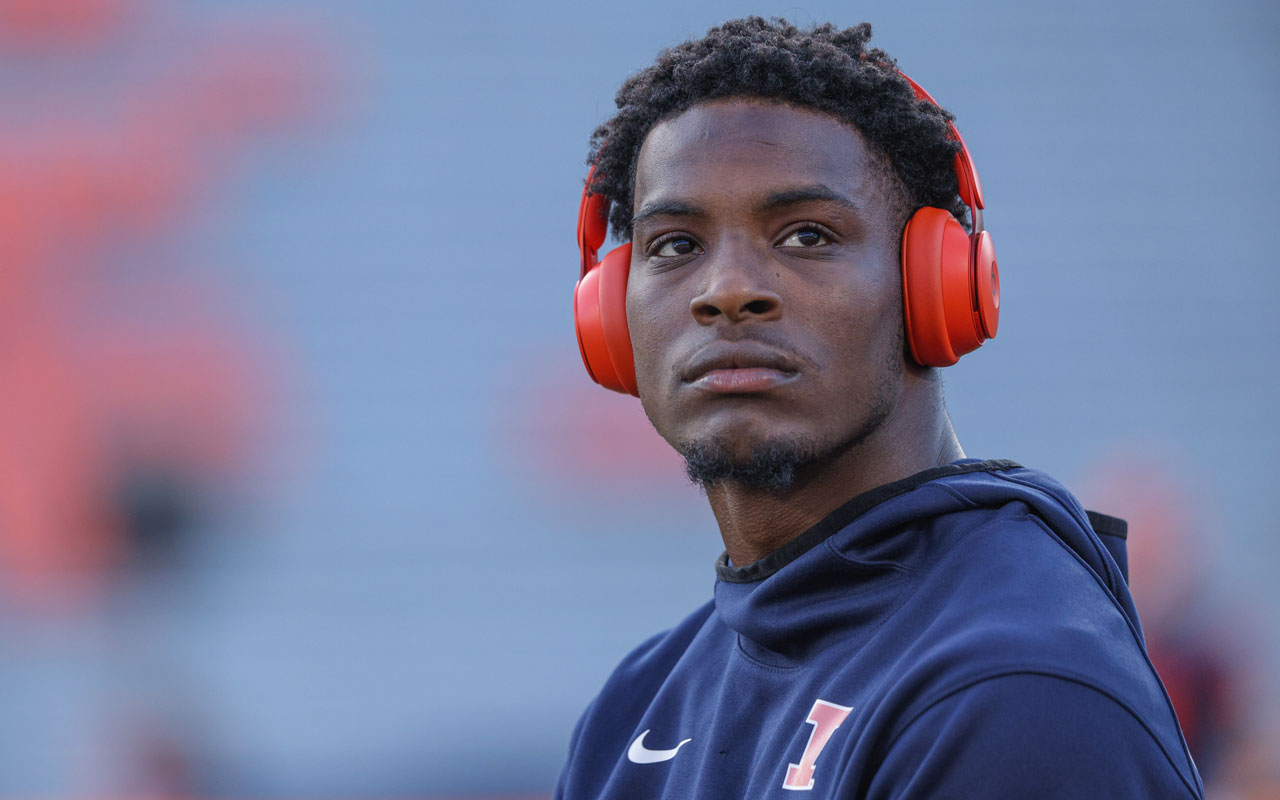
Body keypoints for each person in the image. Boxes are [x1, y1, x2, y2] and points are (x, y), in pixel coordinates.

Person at [558, 17, 1203, 799]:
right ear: (610, 318)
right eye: (674, 245)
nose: (727, 290)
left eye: (805, 234)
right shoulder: (636, 704)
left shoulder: (1016, 695)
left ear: (937, 288)